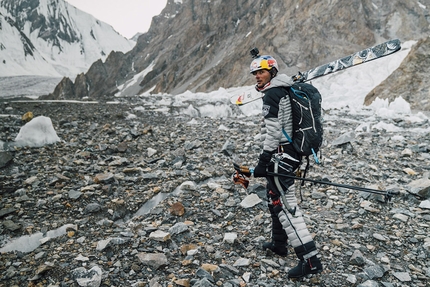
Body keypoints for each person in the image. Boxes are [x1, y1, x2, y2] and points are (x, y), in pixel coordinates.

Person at [234, 53, 323, 278]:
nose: (257, 77)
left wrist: (263, 162)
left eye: (261, 72)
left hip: (282, 156)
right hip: (289, 154)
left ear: (272, 72)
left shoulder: (272, 94)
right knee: (273, 198)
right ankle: (279, 244)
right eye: (254, 73)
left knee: (286, 205)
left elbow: (273, 132)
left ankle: (310, 261)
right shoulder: (283, 90)